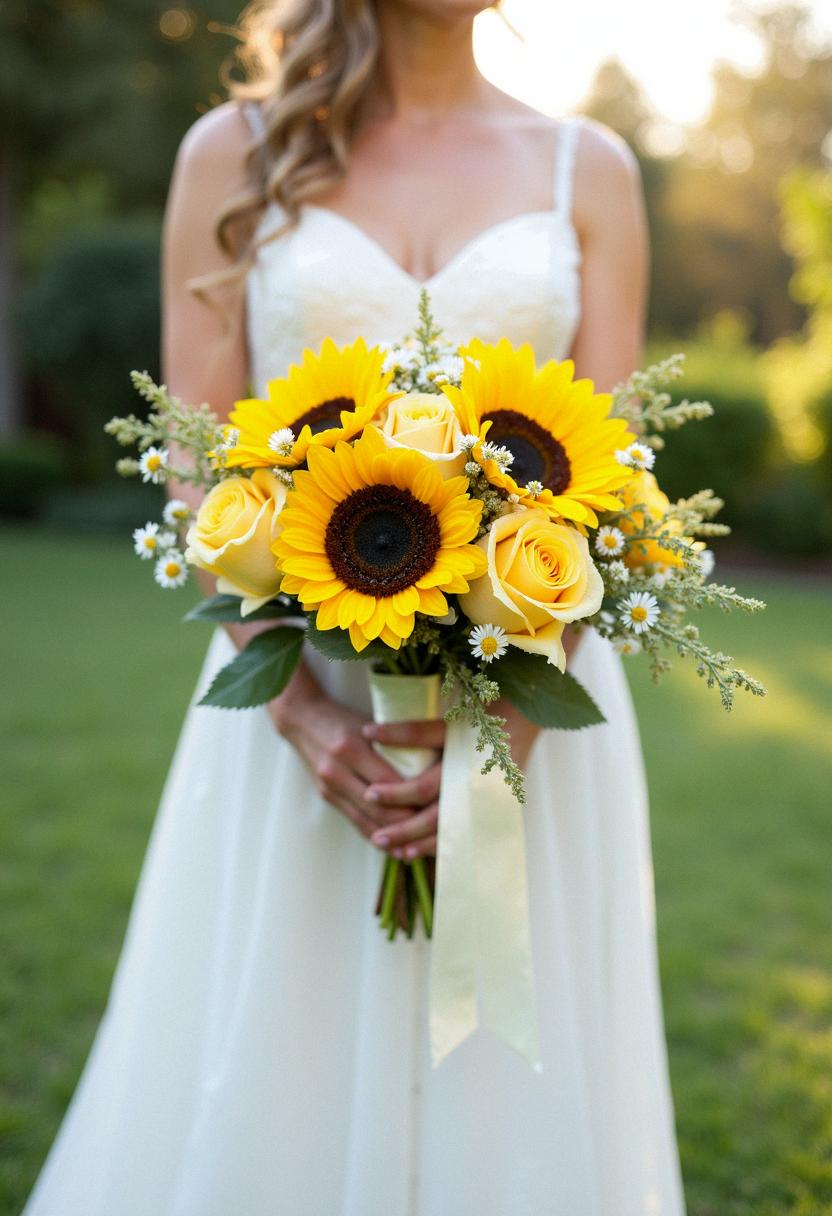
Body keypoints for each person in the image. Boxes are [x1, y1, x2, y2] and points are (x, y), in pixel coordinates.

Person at [23, 1, 688, 1212]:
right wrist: (307, 724)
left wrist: (503, 738)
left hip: (531, 713)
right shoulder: (231, 154)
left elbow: (615, 477)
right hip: (298, 712)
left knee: (508, 1086)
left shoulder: (586, 170)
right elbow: (195, 466)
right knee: (276, 1062)